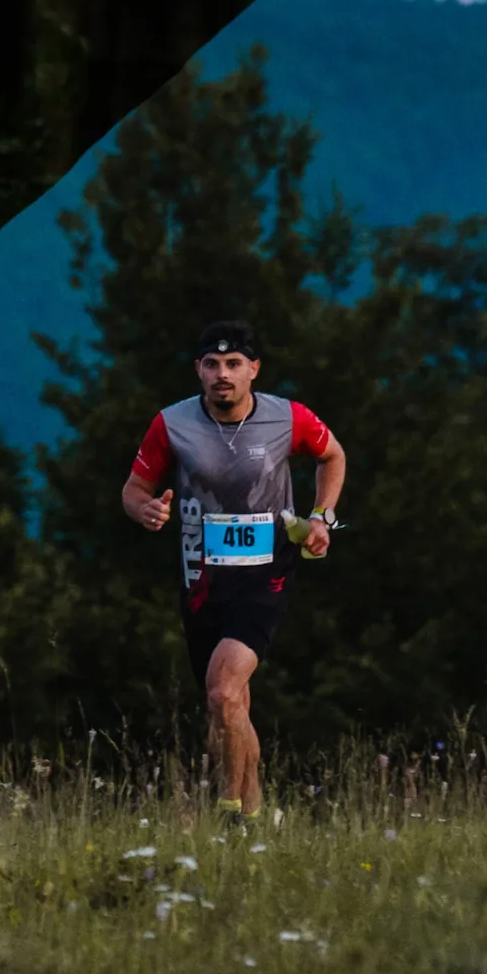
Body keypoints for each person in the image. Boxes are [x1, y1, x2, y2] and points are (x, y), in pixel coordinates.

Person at [121, 320, 345, 822]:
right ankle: (257, 817)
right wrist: (145, 510)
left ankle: (228, 811)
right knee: (227, 704)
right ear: (198, 371)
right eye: (212, 364)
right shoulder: (171, 424)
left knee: (223, 689)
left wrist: (321, 517)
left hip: (267, 571)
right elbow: (134, 490)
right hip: (201, 576)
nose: (223, 374)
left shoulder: (288, 417)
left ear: (253, 370)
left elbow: (332, 454)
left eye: (234, 364)